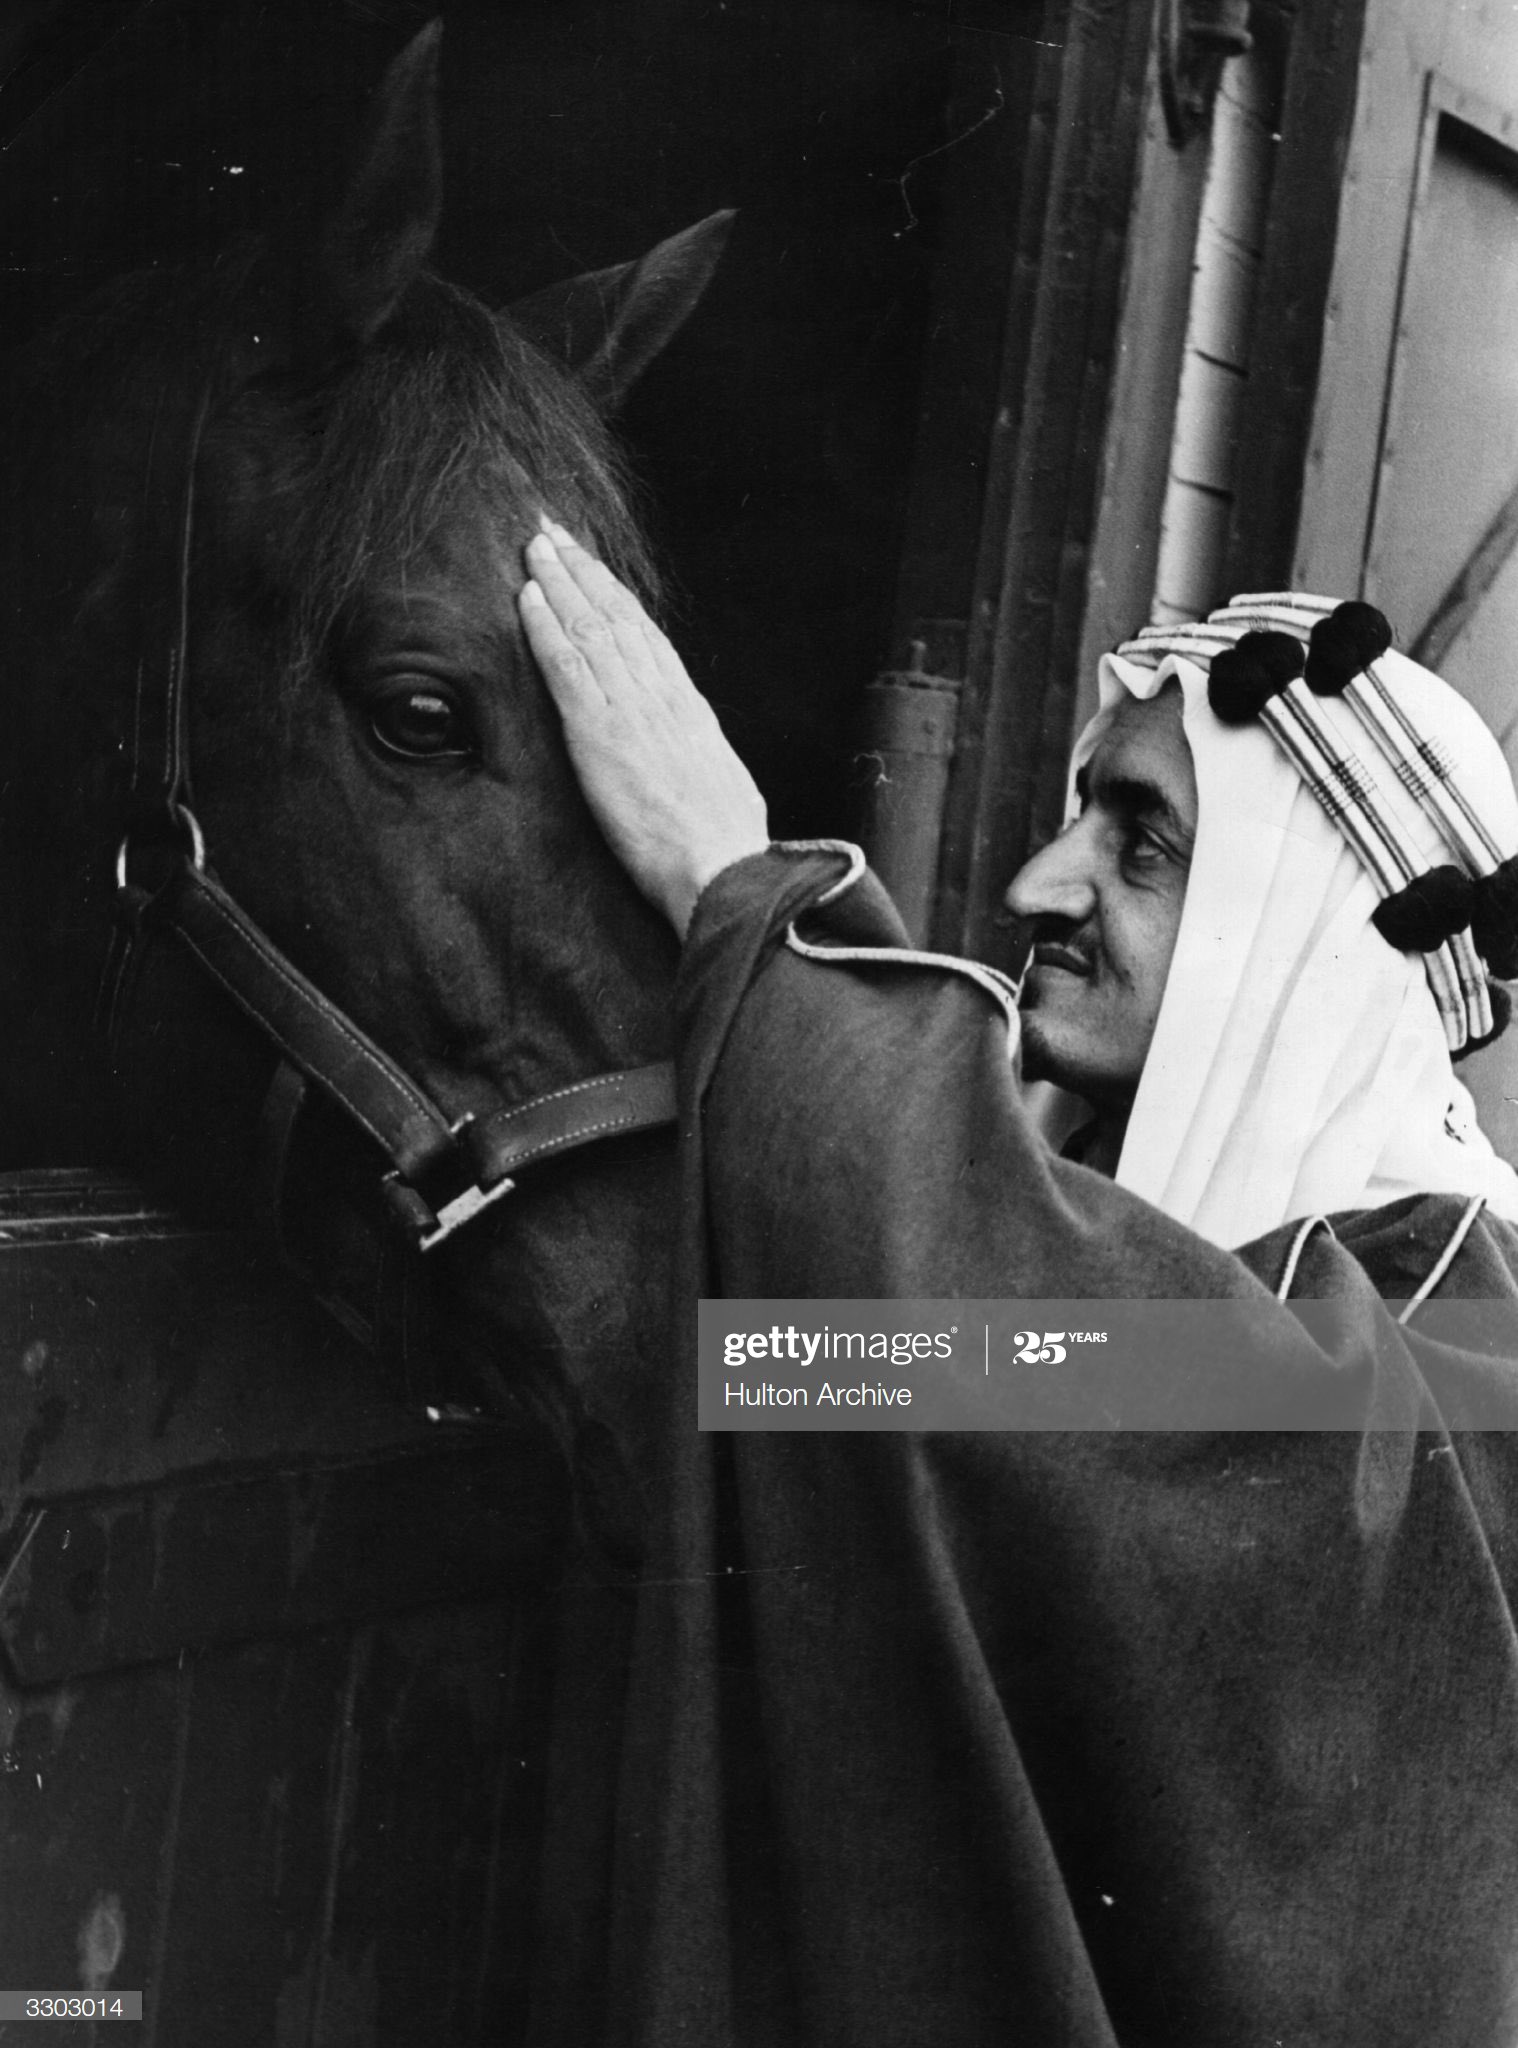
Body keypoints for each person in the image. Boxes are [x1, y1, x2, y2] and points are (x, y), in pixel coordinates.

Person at [517, 522, 1518, 2047]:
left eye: (1142, 843)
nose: (1036, 882)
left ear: (1306, 935)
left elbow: (1036, 1364)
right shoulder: (1187, 1249)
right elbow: (944, 1342)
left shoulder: (1455, 1335)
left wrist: (732, 883)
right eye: (1076, 818)